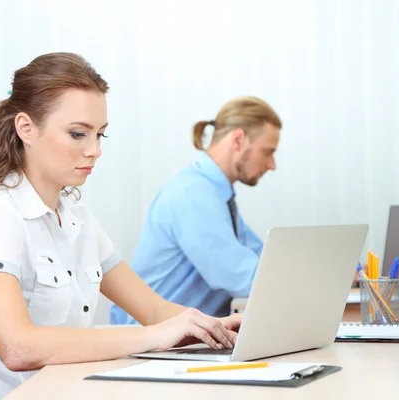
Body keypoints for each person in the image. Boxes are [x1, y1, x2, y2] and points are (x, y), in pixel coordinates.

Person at [0, 52, 241, 399]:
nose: (94, 150)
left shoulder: (78, 220)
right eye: (78, 134)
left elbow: (155, 311)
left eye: (100, 135)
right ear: (26, 129)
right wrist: (156, 336)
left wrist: (218, 329)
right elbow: (18, 347)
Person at [110, 97, 282, 325]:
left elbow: (264, 259)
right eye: (267, 152)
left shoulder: (216, 194)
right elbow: (242, 277)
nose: (272, 164)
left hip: (180, 336)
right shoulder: (192, 194)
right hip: (150, 340)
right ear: (238, 140)